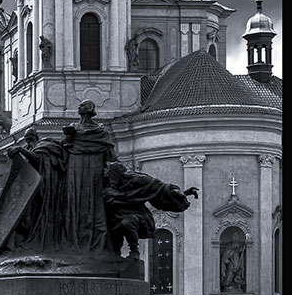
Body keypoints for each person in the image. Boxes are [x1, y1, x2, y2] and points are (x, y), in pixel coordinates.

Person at [103, 162, 198, 258]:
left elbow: (161, 188)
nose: (106, 173)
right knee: (111, 235)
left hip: (134, 213)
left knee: (127, 223)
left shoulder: (137, 180)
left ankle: (134, 250)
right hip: (113, 215)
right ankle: (115, 255)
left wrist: (183, 193)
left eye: (109, 172)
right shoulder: (104, 185)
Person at [63, 100, 116, 252]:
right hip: (75, 166)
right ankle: (73, 240)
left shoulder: (100, 131)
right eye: (79, 105)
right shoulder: (72, 129)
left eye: (83, 105)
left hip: (94, 167)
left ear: (90, 109)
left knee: (94, 201)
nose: (79, 106)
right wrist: (66, 142)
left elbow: (110, 155)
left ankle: (95, 241)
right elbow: (63, 150)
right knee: (74, 200)